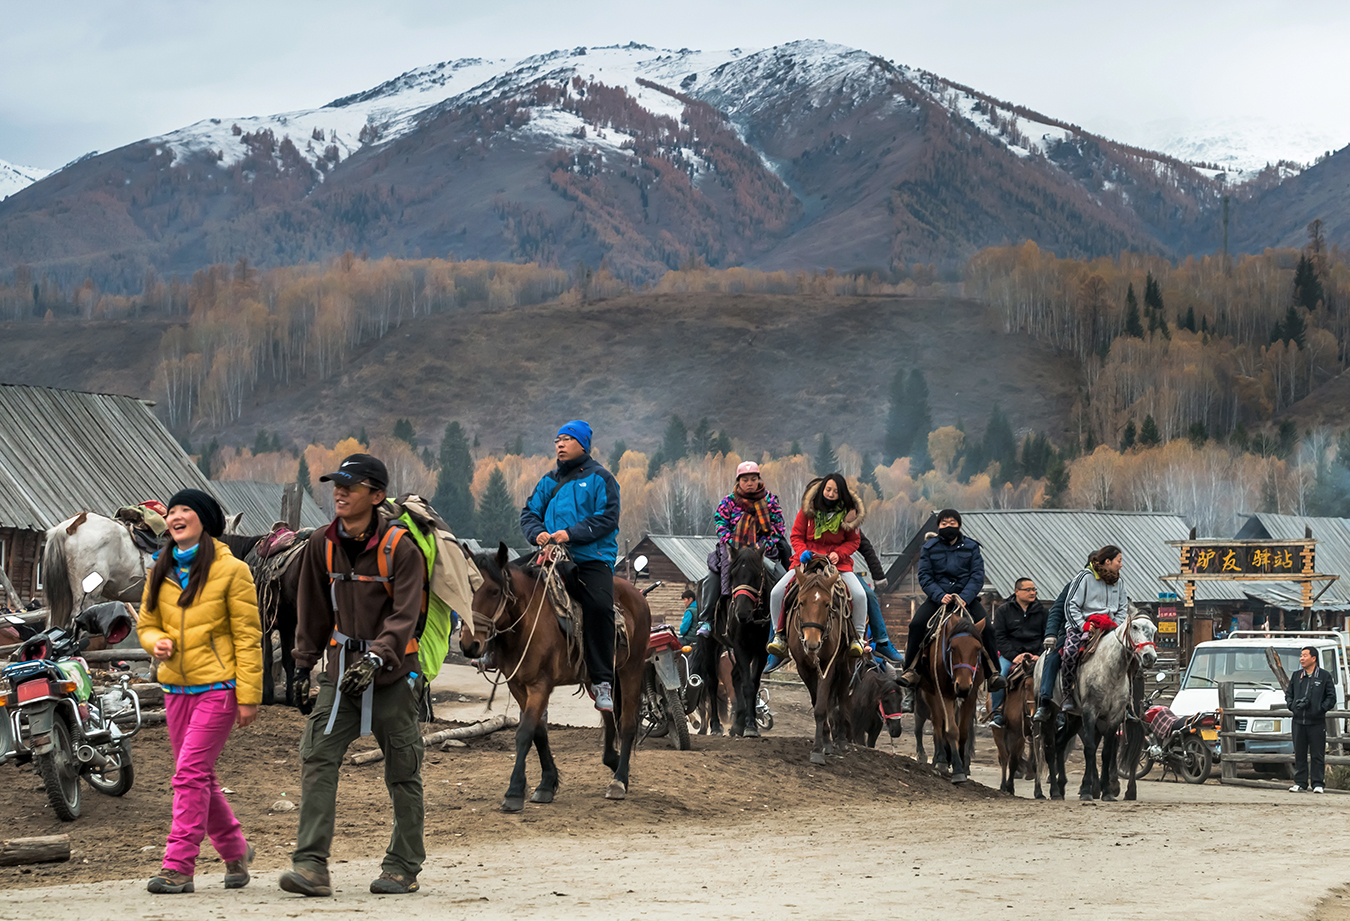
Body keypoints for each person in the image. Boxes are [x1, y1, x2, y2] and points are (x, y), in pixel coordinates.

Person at [282, 453, 429, 897]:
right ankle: (310, 866)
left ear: (376, 495)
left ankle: (403, 865)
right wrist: (304, 665)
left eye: (351, 485)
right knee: (318, 756)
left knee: (403, 769)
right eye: (336, 484)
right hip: (341, 673)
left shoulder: (402, 548)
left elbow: (405, 616)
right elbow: (312, 608)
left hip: (394, 675)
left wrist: (377, 658)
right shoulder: (320, 544)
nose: (339, 491)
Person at [138, 489, 262, 895]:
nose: (175, 517)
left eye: (184, 510)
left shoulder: (233, 571)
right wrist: (154, 641)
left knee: (188, 773)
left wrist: (249, 695)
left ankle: (178, 867)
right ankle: (235, 850)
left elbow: (247, 637)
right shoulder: (161, 567)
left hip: (220, 688)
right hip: (176, 687)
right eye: (171, 511)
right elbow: (146, 622)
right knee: (199, 776)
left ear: (204, 520)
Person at [520, 420, 622, 711]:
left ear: (583, 445)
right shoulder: (548, 481)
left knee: (600, 606)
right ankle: (490, 650)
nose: (560, 445)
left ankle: (602, 680)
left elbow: (607, 518)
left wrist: (570, 533)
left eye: (566, 439)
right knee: (504, 580)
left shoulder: (601, 478)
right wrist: (536, 532)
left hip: (590, 558)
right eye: (557, 440)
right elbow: (529, 513)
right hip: (550, 555)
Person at [898, 510, 1004, 693]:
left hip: (966, 600)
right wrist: (939, 595)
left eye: (952, 522)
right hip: (939, 600)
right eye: (944, 523)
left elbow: (977, 576)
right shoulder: (929, 548)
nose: (948, 526)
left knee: (988, 628)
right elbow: (924, 576)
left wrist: (965, 596)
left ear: (959, 525)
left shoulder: (971, 547)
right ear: (938, 527)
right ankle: (911, 670)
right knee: (916, 625)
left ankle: (993, 673)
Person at [766, 474, 869, 658]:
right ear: (822, 490)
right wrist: (802, 551)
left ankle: (857, 638)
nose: (831, 494)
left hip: (837, 564)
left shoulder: (849, 515)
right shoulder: (807, 511)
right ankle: (779, 635)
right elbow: (796, 536)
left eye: (836, 491)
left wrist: (840, 553)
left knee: (860, 595)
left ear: (842, 494)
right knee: (777, 592)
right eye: (828, 489)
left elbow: (854, 541)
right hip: (806, 560)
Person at [1032, 545, 1127, 723]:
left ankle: (1130, 704)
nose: (1121, 565)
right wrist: (1052, 633)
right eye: (1119, 561)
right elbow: (1059, 609)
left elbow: (1123, 607)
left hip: (1109, 628)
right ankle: (1047, 701)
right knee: (1058, 656)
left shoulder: (1118, 582)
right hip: (1077, 627)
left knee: (1130, 656)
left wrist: (1117, 626)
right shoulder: (1080, 581)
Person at [701, 461, 790, 625]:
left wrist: (763, 544)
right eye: (745, 480)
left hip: (763, 552)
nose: (749, 483)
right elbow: (720, 524)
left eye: (753, 479)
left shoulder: (770, 501)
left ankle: (787, 623)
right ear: (738, 482)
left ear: (758, 480)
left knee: (785, 581)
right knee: (711, 579)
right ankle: (706, 620)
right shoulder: (728, 502)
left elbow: (778, 527)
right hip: (733, 551)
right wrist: (733, 541)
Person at [988, 577, 1047, 729]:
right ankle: (998, 712)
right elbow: (1000, 637)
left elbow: (1046, 635)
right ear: (1017, 591)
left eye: (1034, 589)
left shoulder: (1042, 612)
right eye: (1028, 590)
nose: (1032, 592)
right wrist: (1014, 656)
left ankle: (1056, 712)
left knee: (1052, 673)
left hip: (1036, 654)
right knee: (1000, 674)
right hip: (1011, 655)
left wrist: (1039, 654)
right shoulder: (1003, 611)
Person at [1288, 645, 1335, 793]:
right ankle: (1300, 783)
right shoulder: (1296, 676)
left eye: (1305, 655)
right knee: (1300, 754)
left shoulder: (1324, 676)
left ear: (1313, 658)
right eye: (1301, 656)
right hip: (1298, 722)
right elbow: (1289, 694)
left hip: (1316, 722)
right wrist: (1292, 706)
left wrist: (1320, 709)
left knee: (1317, 754)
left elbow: (1331, 697)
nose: (1301, 658)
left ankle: (1318, 784)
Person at [857, 532, 902, 662]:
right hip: (811, 565)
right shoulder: (809, 517)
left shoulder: (846, 519)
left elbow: (864, 547)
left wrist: (878, 575)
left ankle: (882, 641)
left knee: (868, 594)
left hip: (842, 567)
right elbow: (797, 538)